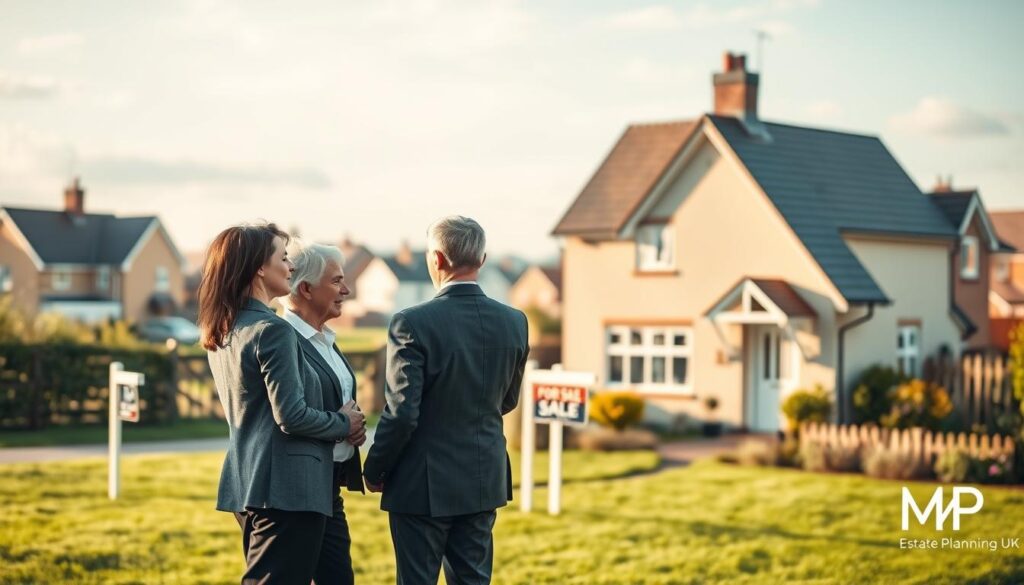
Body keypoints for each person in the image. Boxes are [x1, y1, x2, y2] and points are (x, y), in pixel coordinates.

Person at [363, 215, 529, 585]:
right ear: (482, 260)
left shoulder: (410, 322)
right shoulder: (515, 321)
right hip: (482, 476)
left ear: (436, 259)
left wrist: (375, 469)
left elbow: (403, 412)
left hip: (422, 483)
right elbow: (507, 400)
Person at [198, 223, 365, 584]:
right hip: (288, 491)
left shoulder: (227, 327)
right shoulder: (273, 330)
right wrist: (343, 424)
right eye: (283, 257)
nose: (290, 266)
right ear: (260, 267)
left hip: (278, 485)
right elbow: (291, 416)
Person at [281, 240, 366, 585]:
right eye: (336, 282)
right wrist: (343, 424)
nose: (346, 290)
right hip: (297, 492)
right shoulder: (284, 338)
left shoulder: (326, 339)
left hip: (329, 488)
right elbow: (289, 414)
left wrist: (355, 427)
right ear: (305, 288)